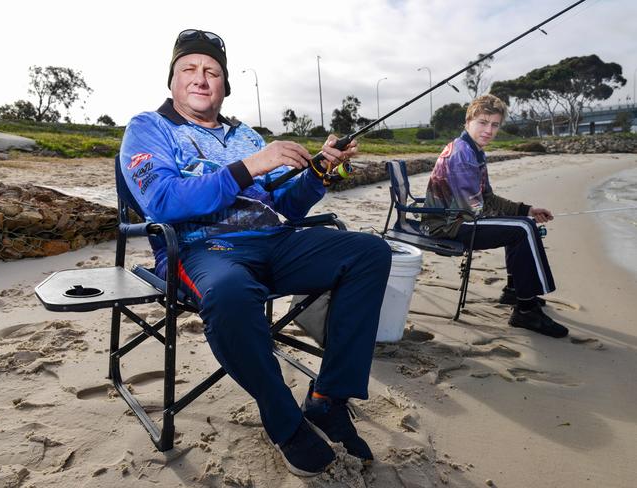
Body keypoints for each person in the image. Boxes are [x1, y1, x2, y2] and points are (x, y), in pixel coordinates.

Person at [119, 29, 392, 476]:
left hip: (273, 241)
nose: (201, 78)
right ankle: (285, 423)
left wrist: (320, 171)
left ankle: (327, 399)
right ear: (171, 80)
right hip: (200, 248)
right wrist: (251, 166)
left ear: (225, 85)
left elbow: (283, 204)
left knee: (369, 252)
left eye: (212, 71)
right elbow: (162, 201)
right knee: (228, 294)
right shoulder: (149, 128)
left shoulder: (244, 133)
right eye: (189, 69)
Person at [421, 94, 568, 338]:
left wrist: (526, 210)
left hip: (458, 218)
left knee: (524, 223)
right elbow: (475, 210)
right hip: (446, 226)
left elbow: (487, 198)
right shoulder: (462, 155)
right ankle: (526, 309)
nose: (489, 130)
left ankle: (515, 290)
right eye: (482, 122)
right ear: (468, 121)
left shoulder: (473, 150)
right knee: (521, 230)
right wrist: (519, 220)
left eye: (495, 124)